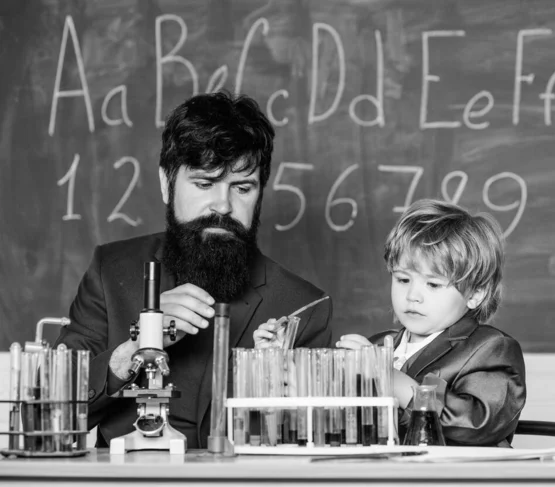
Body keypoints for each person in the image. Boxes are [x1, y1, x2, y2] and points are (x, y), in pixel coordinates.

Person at [55, 91, 332, 449]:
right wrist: (138, 345)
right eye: (204, 183)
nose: (223, 204)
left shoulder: (301, 307)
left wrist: (286, 394)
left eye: (243, 187)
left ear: (260, 193)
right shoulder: (111, 272)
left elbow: (311, 445)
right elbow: (58, 408)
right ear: (165, 184)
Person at [336, 199, 526, 447]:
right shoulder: (378, 345)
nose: (413, 295)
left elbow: (478, 422)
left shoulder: (492, 348)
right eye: (403, 279)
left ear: (475, 294)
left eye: (433, 284)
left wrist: (392, 379)